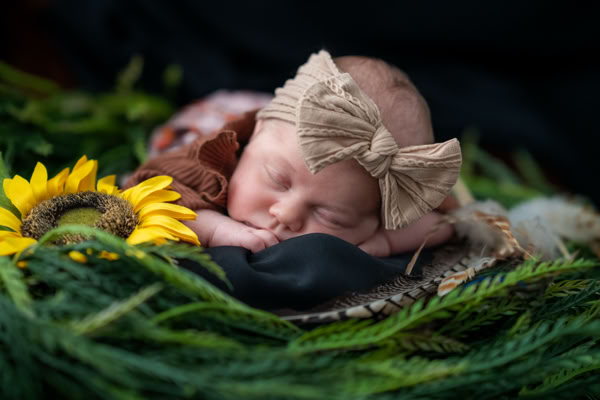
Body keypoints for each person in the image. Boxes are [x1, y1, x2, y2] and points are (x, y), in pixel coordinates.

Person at [126, 50, 462, 257]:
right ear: (254, 139)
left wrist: (386, 242)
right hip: (218, 114)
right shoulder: (212, 158)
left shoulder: (389, 196)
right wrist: (214, 229)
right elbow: (142, 194)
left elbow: (446, 219)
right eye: (277, 179)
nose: (285, 214)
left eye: (331, 216)